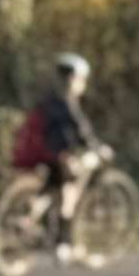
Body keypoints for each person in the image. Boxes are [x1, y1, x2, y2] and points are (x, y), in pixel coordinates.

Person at [9, 54, 101, 243]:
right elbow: (81, 129)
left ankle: (29, 219)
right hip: (61, 156)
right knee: (70, 192)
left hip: (44, 153)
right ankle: (64, 241)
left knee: (51, 188)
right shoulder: (67, 102)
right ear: (75, 78)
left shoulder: (46, 100)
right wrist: (96, 146)